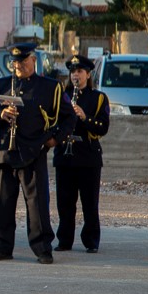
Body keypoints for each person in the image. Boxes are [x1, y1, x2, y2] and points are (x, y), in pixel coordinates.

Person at [0, 43, 75, 264]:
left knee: (37, 204)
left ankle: (42, 248)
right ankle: (2, 247)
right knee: (2, 203)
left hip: (33, 151)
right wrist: (0, 114)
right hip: (5, 152)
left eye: (23, 61)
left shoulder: (50, 87)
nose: (19, 66)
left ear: (33, 59)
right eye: (15, 62)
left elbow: (69, 117)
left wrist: (55, 139)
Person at [53, 55, 110, 253]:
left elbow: (103, 127)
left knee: (89, 202)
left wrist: (85, 117)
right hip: (65, 156)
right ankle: (64, 240)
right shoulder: (62, 95)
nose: (75, 75)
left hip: (88, 157)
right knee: (65, 203)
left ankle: (91, 240)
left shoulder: (98, 97)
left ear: (88, 74)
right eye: (73, 72)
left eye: (79, 72)